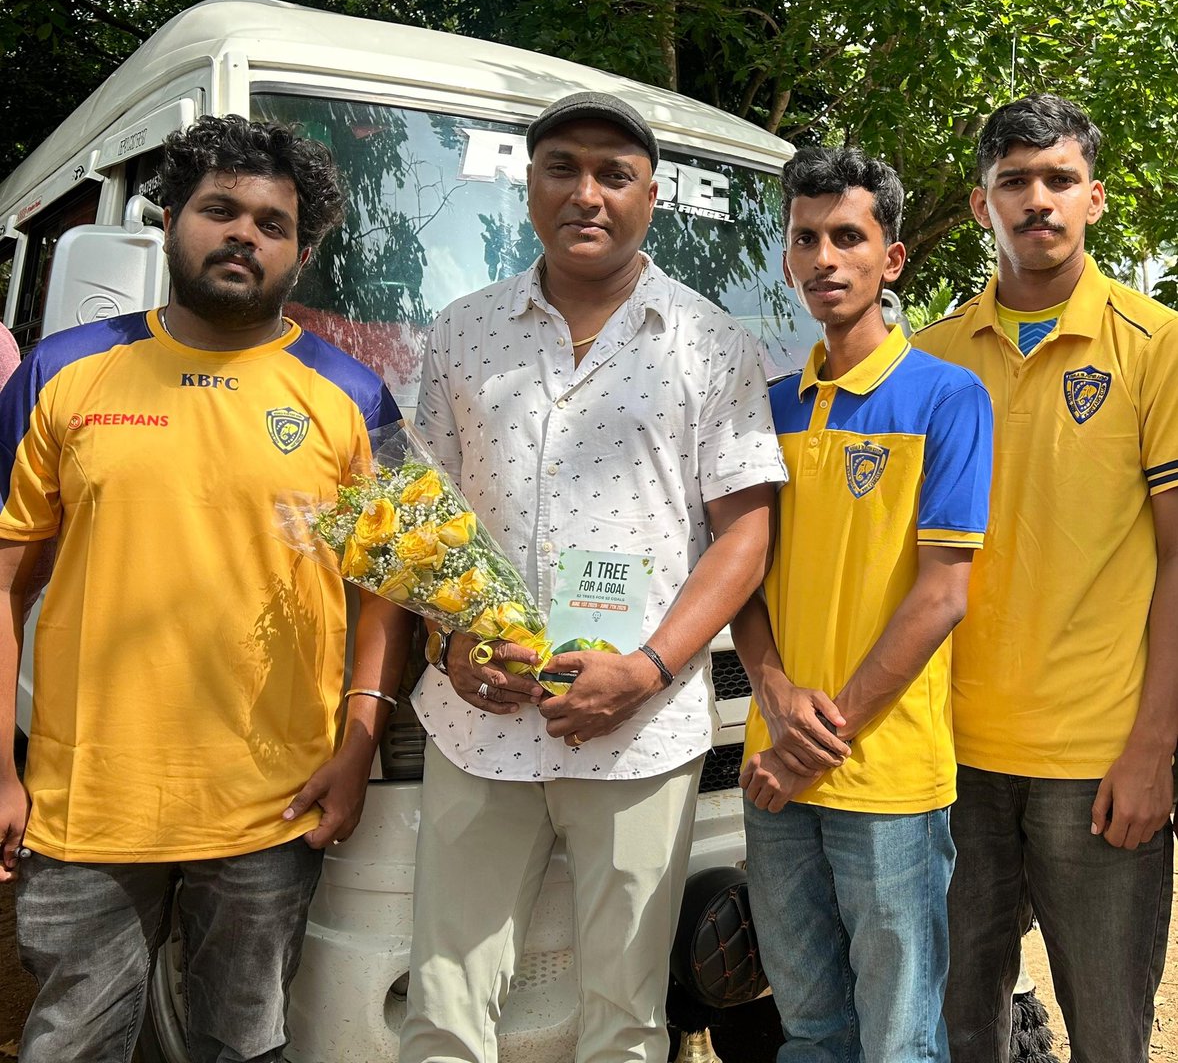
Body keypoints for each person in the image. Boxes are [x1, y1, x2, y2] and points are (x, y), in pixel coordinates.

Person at [0, 115, 408, 1063]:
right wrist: (2, 767)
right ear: (170, 222)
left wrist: (359, 740)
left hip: (271, 805)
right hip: (85, 801)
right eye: (218, 209)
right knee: (71, 1044)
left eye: (273, 223)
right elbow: (6, 581)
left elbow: (390, 587)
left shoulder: (356, 397)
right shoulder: (65, 372)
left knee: (245, 1043)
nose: (244, 234)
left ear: (301, 252)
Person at [398, 91, 787, 1063]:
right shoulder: (462, 332)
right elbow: (421, 517)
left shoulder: (709, 342)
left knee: (624, 1021)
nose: (586, 193)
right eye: (561, 168)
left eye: (613, 174)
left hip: (639, 737)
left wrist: (650, 667)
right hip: (477, 723)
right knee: (443, 1007)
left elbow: (744, 534)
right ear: (526, 185)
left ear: (649, 194)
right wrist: (450, 644)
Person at [915, 93, 1178, 1062]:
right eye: (1012, 182)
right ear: (981, 204)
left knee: (1107, 1033)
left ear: (1093, 199)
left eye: (1057, 180)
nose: (1037, 200)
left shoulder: (1155, 346)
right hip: (946, 760)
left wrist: (1152, 748)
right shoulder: (930, 358)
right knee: (955, 1029)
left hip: (1095, 764)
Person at [732, 147, 993, 1060]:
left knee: (897, 1039)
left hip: (886, 778)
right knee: (807, 1028)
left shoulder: (948, 398)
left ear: (893, 259)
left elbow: (943, 594)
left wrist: (819, 739)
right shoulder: (767, 406)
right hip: (775, 770)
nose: (824, 259)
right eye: (806, 239)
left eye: (849, 237)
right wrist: (772, 699)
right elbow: (743, 582)